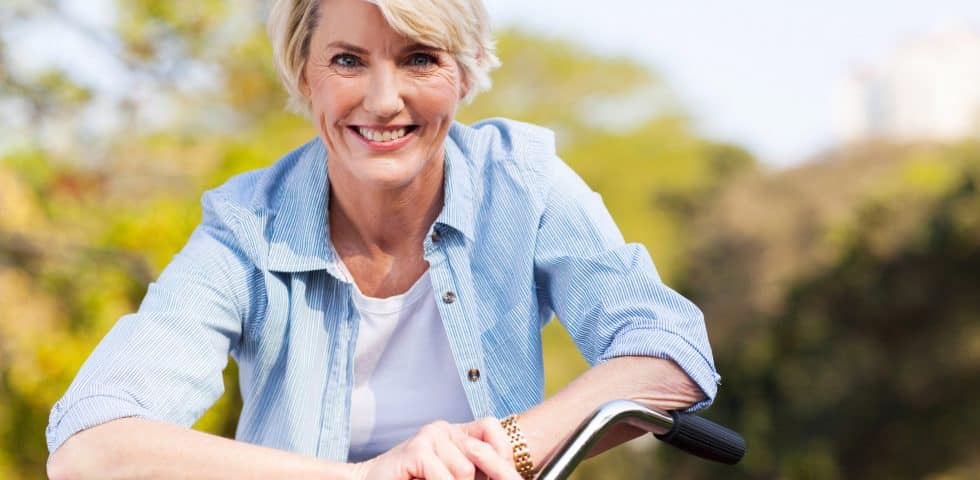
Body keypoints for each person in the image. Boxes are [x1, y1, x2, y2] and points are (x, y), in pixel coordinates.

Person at [45, 0, 720, 478]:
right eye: (347, 60)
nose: (384, 98)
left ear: (467, 69)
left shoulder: (524, 182)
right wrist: (372, 478)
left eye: (419, 58)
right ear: (305, 75)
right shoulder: (246, 227)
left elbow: (669, 351)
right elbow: (88, 446)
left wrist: (502, 448)